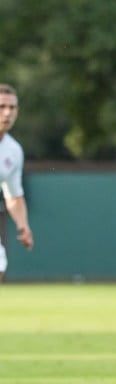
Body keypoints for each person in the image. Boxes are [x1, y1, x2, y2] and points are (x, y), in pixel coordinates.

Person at [0, 83, 34, 283]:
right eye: (2, 106)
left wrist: (23, 225)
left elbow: (13, 195)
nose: (7, 113)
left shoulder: (13, 150)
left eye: (12, 108)